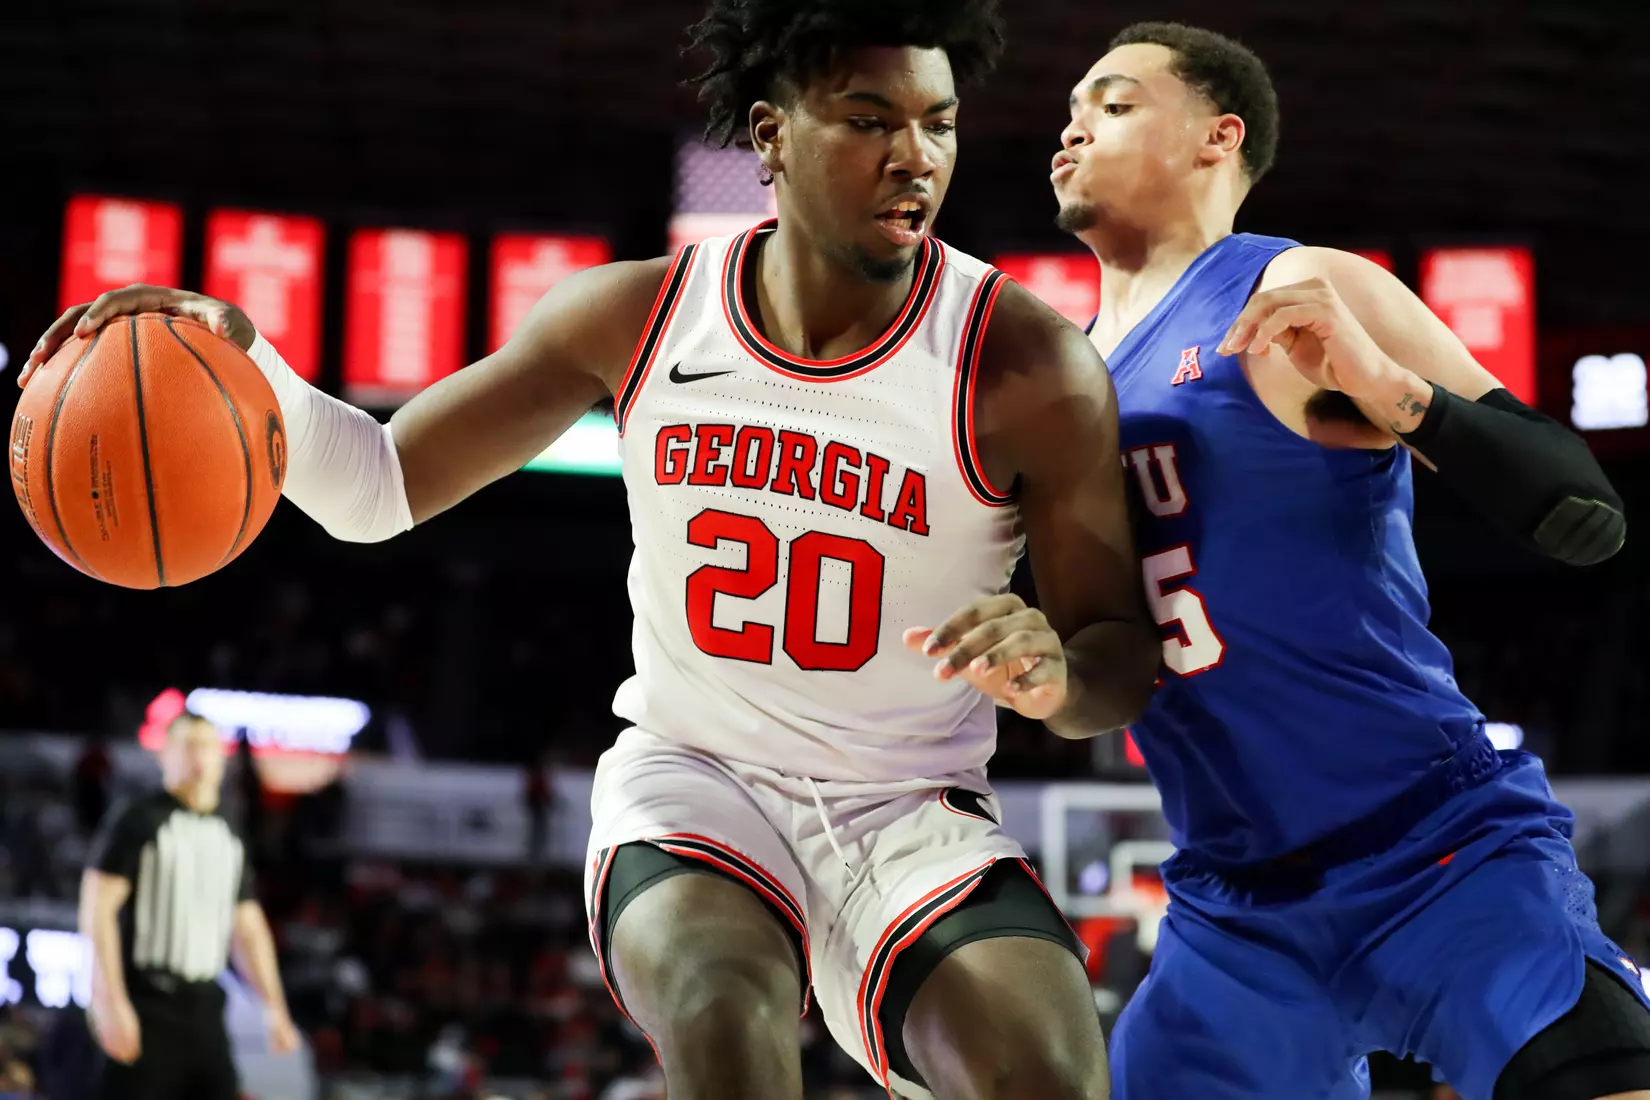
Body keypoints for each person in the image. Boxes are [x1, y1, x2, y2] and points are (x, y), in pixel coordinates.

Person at [27, 3, 1161, 1096]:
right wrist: (241, 363)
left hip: (907, 805)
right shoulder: (634, 316)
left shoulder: (1028, 365)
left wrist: (1057, 675)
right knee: (724, 1007)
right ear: (770, 133)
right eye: (869, 119)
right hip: (696, 783)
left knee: (1051, 1071)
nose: (914, 156)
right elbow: (376, 485)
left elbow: (1116, 649)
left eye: (938, 122)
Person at [1051, 20, 1646, 1100]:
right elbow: (1094, 670)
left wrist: (1393, 390)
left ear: (1215, 137)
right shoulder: (1062, 380)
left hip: (1436, 847)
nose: (1073, 123)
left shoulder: (1292, 284)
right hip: (1230, 912)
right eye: (1073, 108)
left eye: (1116, 100)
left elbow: (1586, 511)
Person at [79, 711, 300, 1099]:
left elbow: (247, 925)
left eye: (206, 745)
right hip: (148, 1000)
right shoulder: (139, 819)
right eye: (187, 745)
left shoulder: (229, 828)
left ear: (221, 757)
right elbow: (97, 909)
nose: (198, 756)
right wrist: (108, 998)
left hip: (207, 1007)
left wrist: (274, 1005)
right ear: (166, 755)